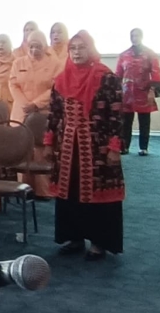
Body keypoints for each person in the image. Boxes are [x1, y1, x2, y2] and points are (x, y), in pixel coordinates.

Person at [45, 32, 124, 258]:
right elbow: (54, 113)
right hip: (68, 148)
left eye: (82, 47)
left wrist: (114, 147)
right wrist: (49, 142)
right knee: (70, 192)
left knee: (98, 194)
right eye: (73, 48)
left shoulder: (106, 78)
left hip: (97, 148)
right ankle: (74, 238)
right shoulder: (62, 79)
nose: (77, 52)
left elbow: (117, 115)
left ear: (91, 49)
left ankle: (99, 242)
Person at [9, 31, 59, 197]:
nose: (34, 50)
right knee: (22, 150)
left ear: (44, 46)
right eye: (31, 46)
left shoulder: (54, 64)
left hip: (42, 112)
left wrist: (36, 104)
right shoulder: (18, 62)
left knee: (40, 150)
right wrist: (25, 104)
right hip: (21, 111)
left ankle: (43, 191)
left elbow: (55, 88)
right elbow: (13, 84)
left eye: (38, 46)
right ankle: (23, 189)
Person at [115, 28, 160, 155]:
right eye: (132, 36)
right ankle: (124, 147)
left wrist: (152, 91)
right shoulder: (123, 55)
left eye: (137, 35)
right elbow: (118, 75)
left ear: (141, 36)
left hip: (144, 93)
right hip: (127, 94)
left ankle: (143, 148)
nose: (134, 38)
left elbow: (156, 74)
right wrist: (116, 91)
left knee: (144, 121)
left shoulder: (150, 54)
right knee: (126, 122)